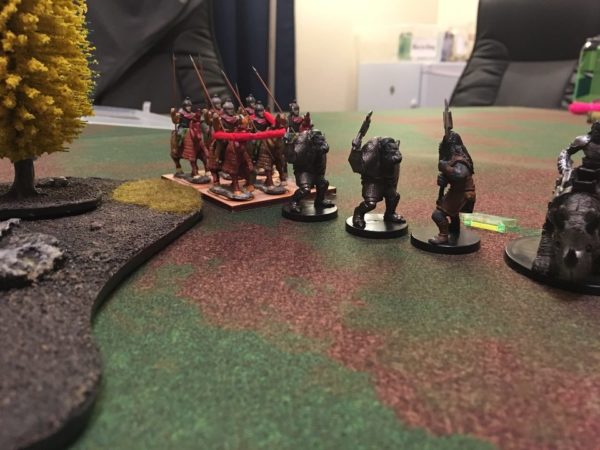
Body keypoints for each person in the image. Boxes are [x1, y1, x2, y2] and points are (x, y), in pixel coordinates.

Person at [429, 131, 476, 245]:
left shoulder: (459, 160)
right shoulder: (454, 159)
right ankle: (454, 228)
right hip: (457, 191)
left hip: (462, 194)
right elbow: (452, 178)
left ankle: (443, 236)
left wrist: (445, 167)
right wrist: (443, 179)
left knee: (437, 215)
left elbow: (460, 175)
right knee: (453, 213)